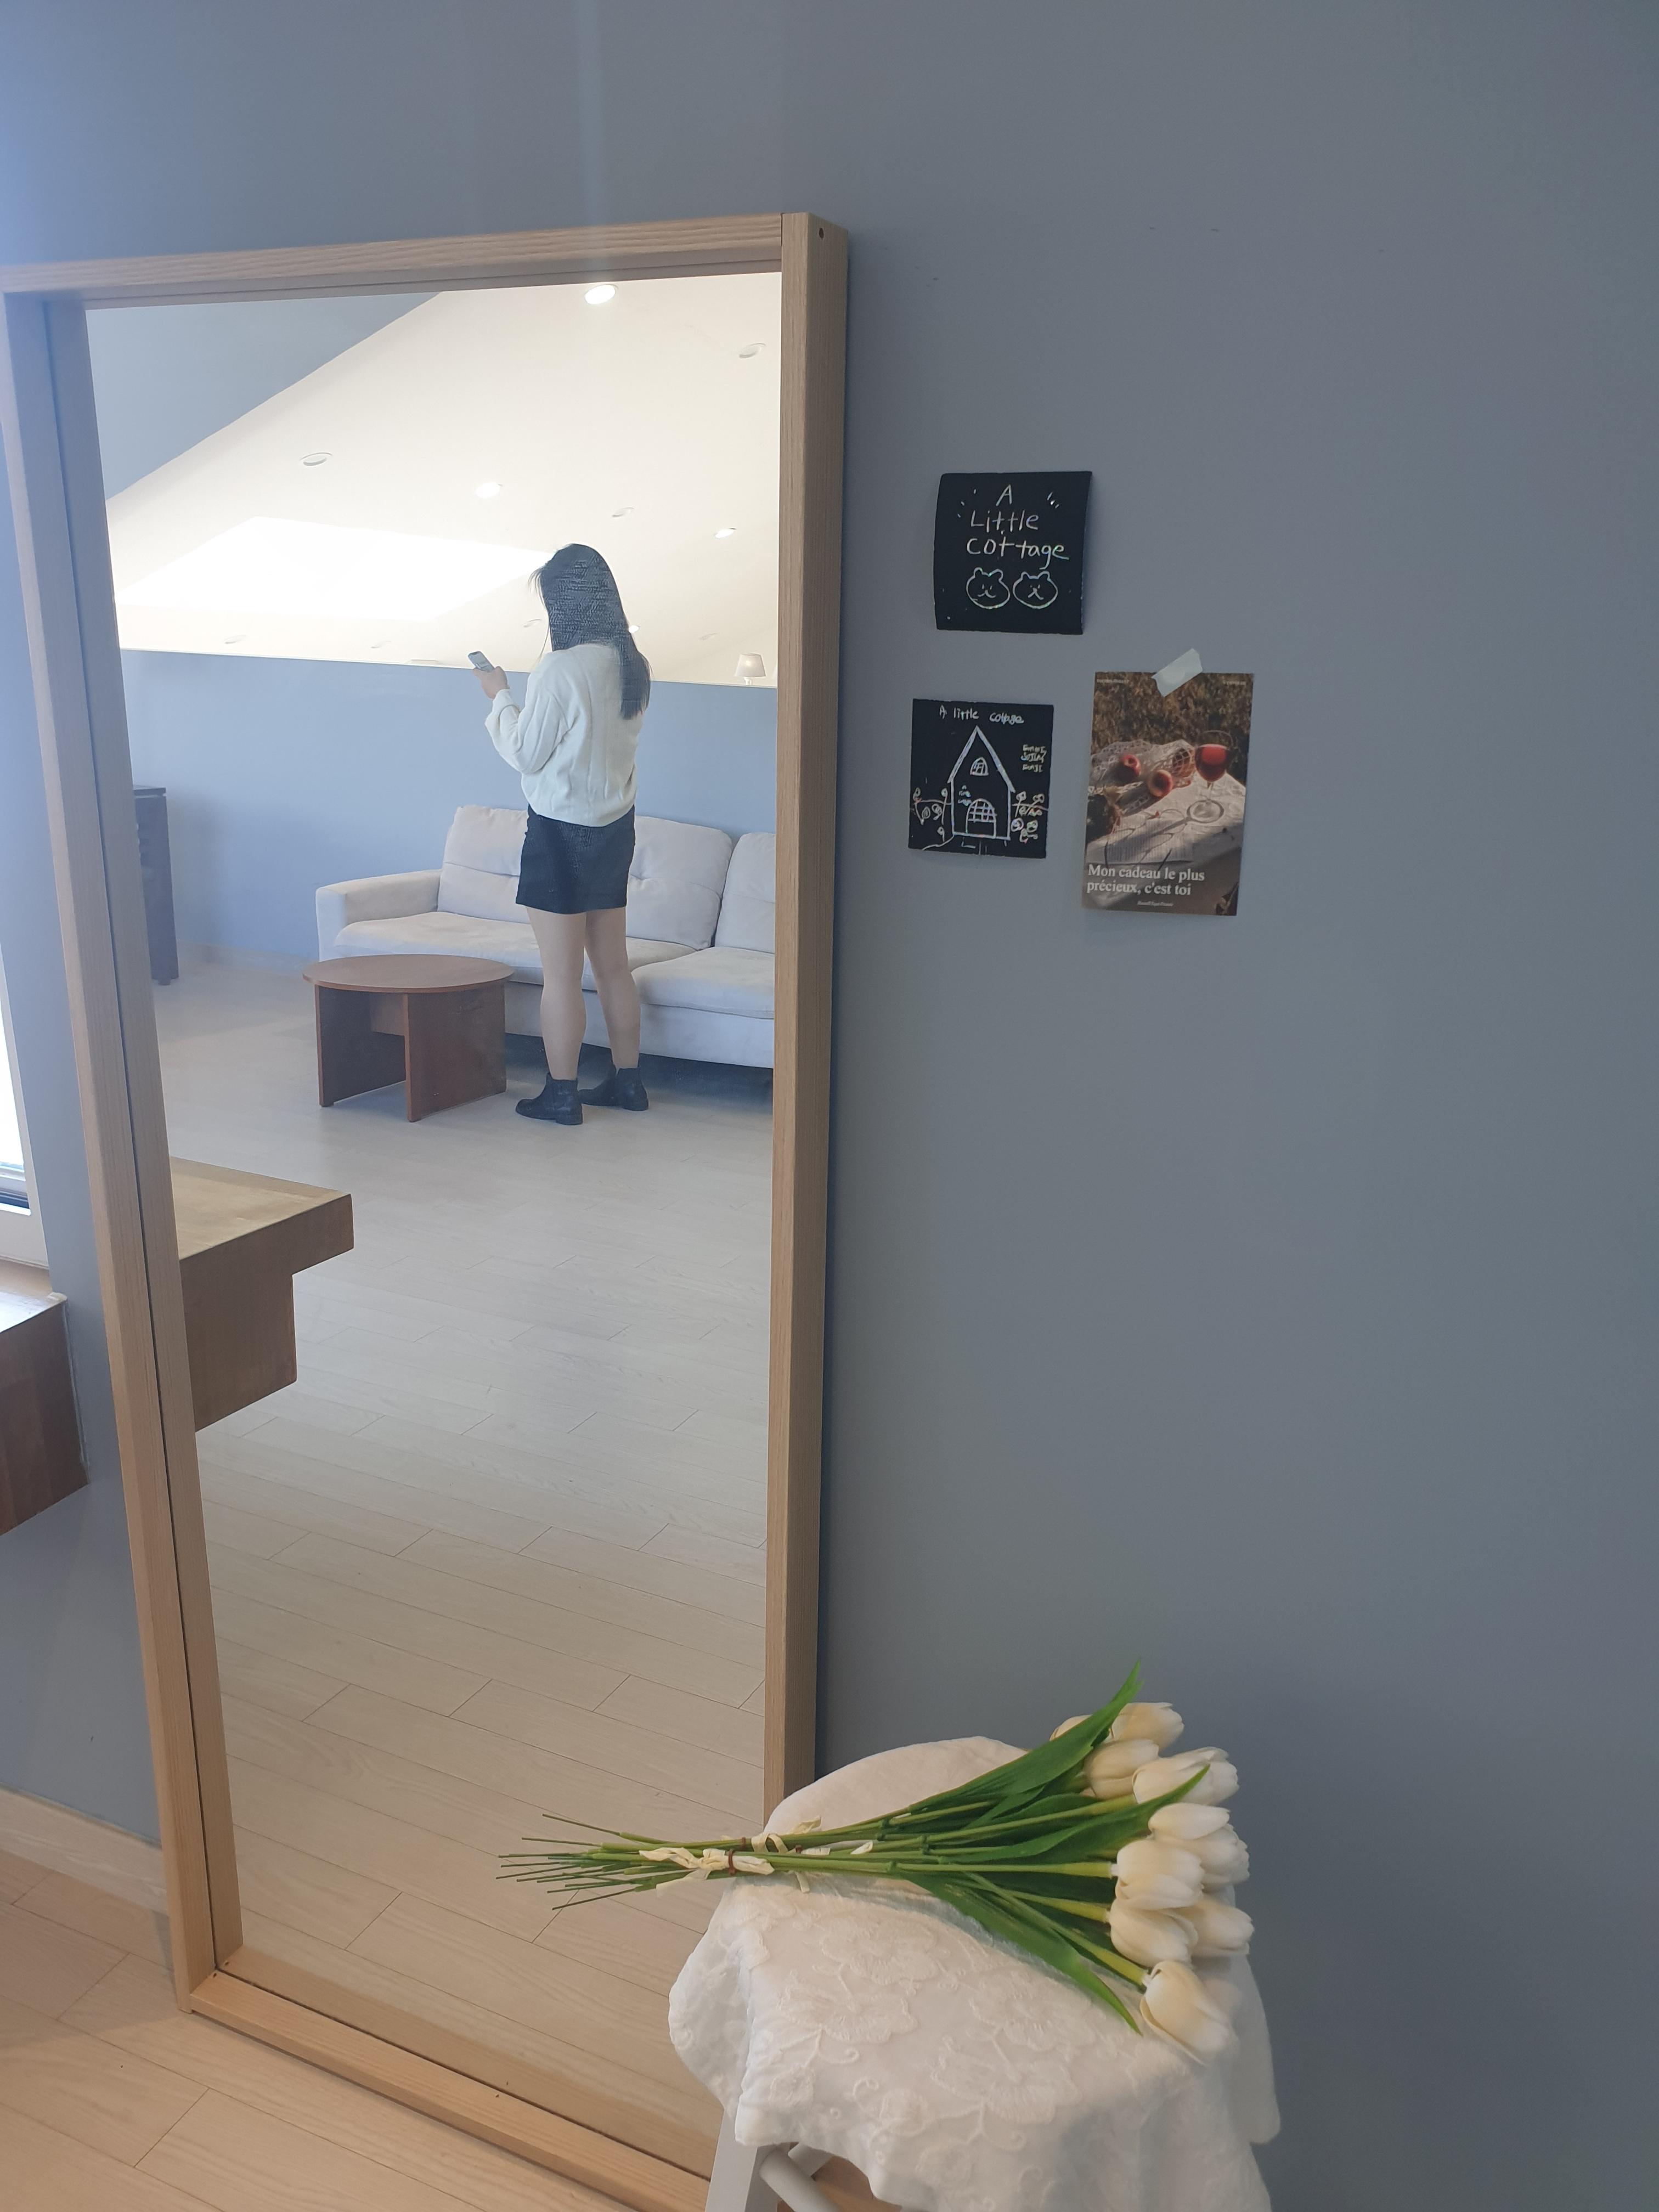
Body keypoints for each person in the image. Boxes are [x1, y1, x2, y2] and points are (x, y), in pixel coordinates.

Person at [473, 545, 651, 1126]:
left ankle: (561, 1093)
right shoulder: (633, 666)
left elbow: (526, 754)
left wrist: (499, 696)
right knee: (614, 967)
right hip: (615, 829)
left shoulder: (560, 668)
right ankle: (628, 1083)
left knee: (561, 975)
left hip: (558, 833)